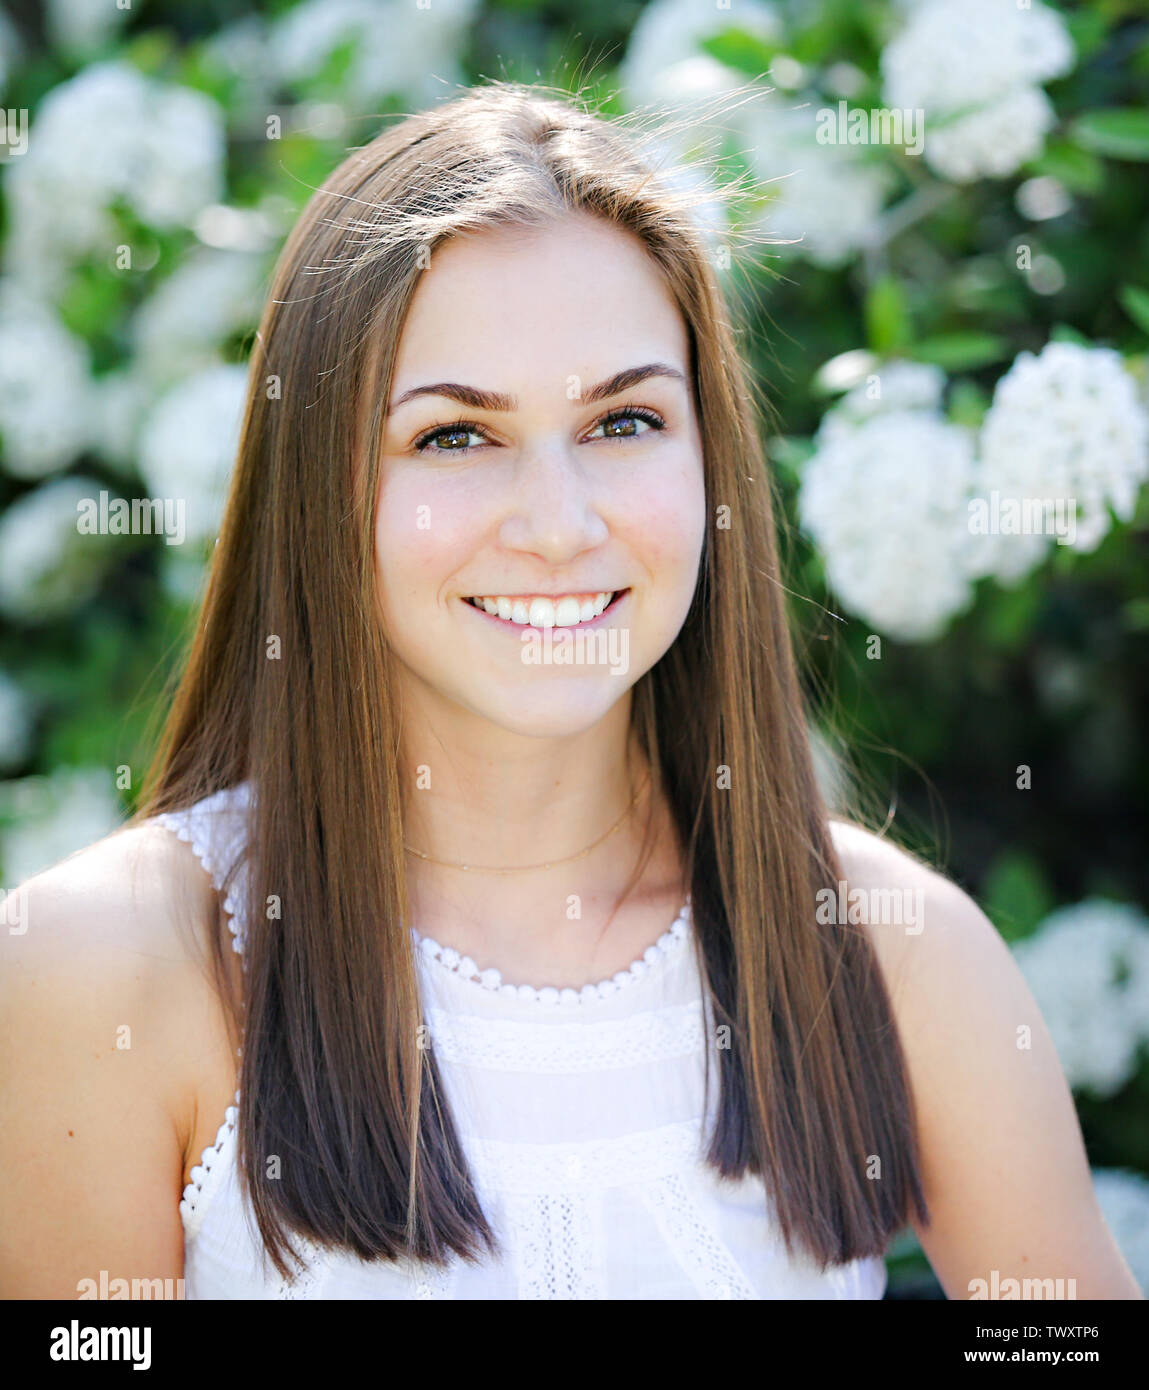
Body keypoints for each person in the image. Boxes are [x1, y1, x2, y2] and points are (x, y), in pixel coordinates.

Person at [0, 82, 1139, 1301]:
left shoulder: (891, 954)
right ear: (318, 487)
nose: (560, 523)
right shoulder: (107, 967)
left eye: (625, 420)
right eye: (455, 436)